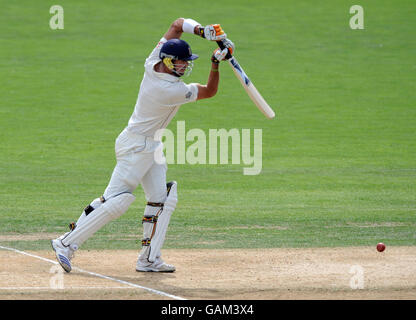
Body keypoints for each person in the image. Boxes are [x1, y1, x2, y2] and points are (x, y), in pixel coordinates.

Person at [51, 18, 234, 273]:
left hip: (151, 144)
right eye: (181, 62)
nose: (185, 66)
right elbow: (210, 91)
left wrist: (204, 32)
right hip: (136, 146)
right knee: (117, 201)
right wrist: (216, 63)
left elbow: (178, 23)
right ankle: (65, 243)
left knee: (163, 198)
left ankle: (149, 259)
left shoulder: (153, 61)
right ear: (169, 62)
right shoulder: (169, 89)